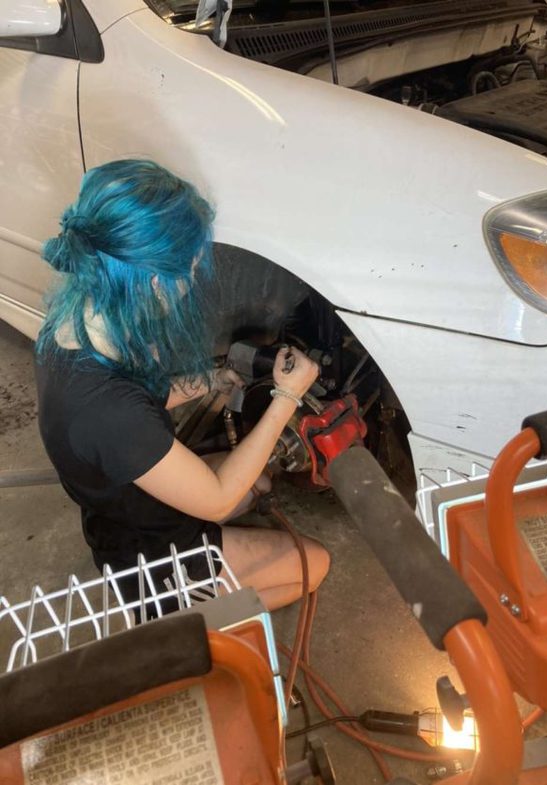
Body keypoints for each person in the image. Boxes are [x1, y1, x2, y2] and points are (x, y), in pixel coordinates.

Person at [35, 159, 330, 613]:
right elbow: (216, 502)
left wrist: (212, 380)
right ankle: (193, 615)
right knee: (317, 563)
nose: (192, 279)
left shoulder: (74, 324)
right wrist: (287, 397)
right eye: (189, 269)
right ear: (154, 281)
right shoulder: (110, 414)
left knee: (264, 481)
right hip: (150, 553)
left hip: (121, 504)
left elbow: (138, 400)